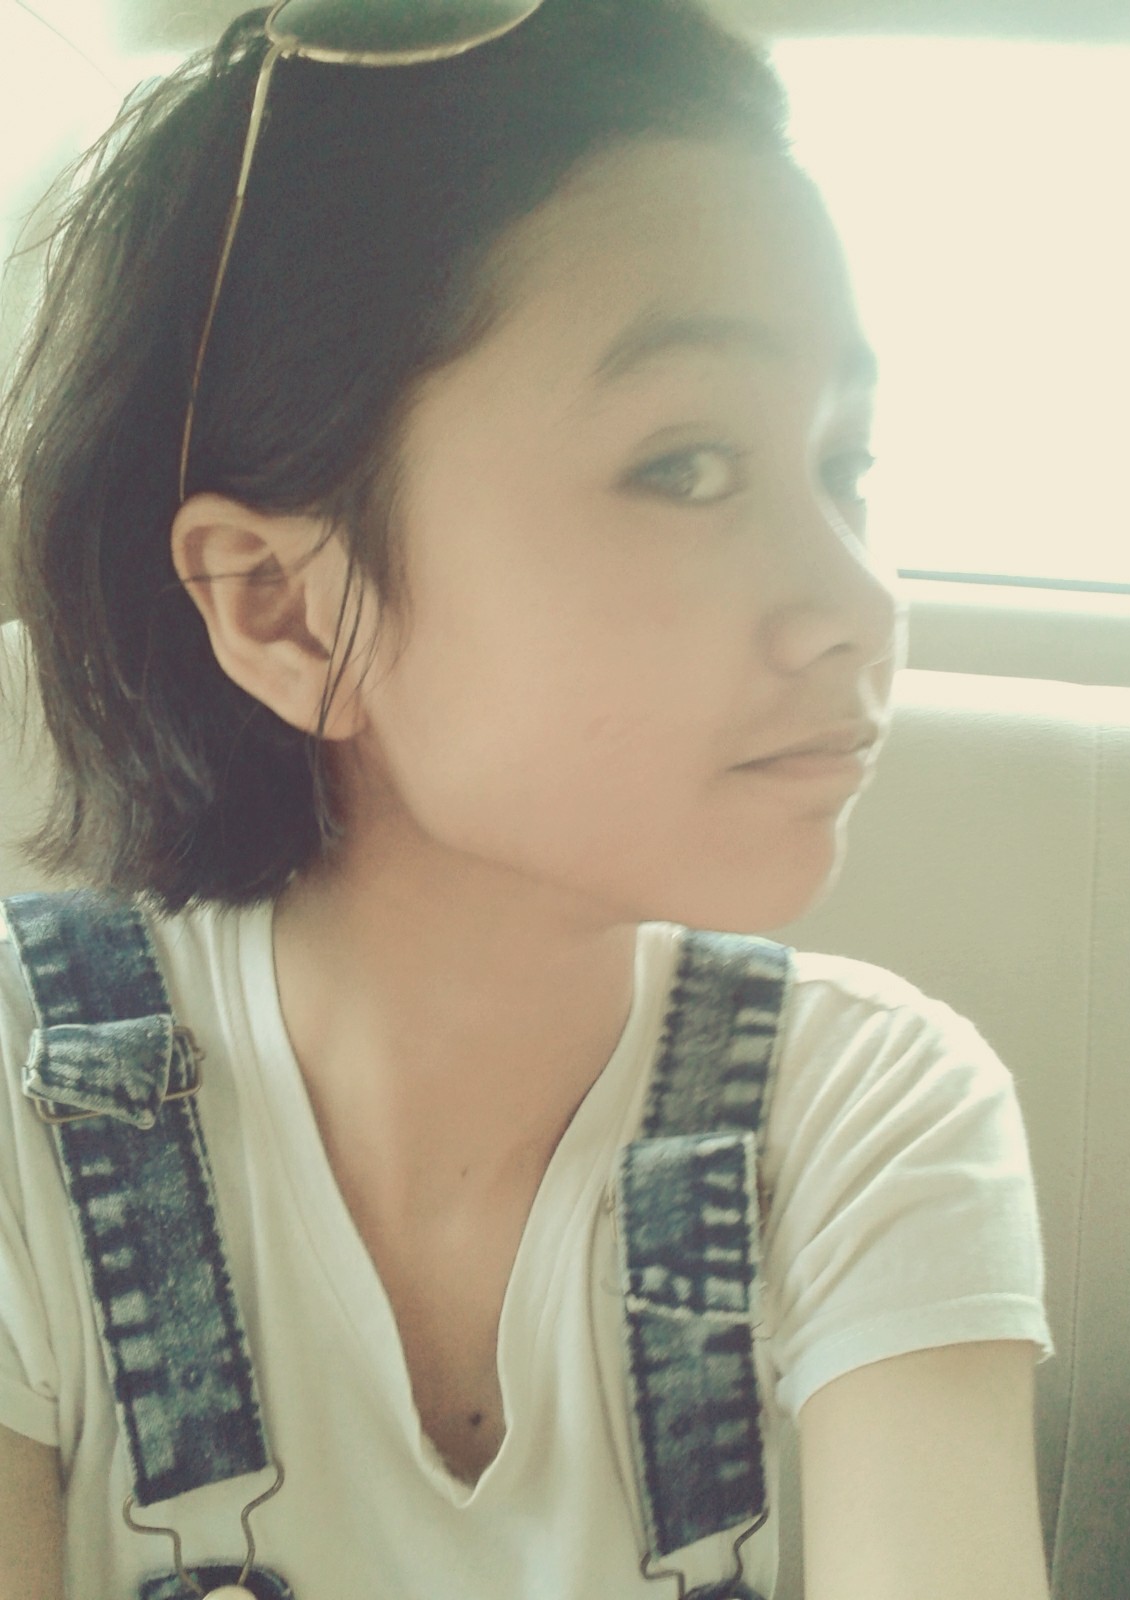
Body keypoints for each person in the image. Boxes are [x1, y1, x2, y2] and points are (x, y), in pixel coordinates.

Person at [0, 1, 1055, 1596]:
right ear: (284, 609)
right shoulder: (28, 1111)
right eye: (685, 467)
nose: (855, 604)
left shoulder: (869, 1119)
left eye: (844, 467)